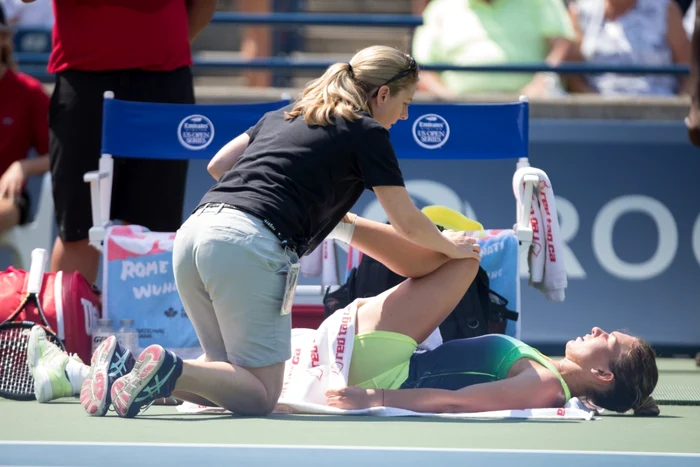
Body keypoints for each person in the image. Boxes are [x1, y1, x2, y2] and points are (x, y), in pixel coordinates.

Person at [27, 210, 658, 416]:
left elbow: (463, 402)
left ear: (604, 377)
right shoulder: (545, 366)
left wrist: (372, 398)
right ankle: (95, 373)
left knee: (464, 262)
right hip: (374, 351)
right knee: (233, 378)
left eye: (610, 340)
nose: (598, 329)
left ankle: (345, 221)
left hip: (378, 368)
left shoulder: (548, 382)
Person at [18, 0, 217, 285]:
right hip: (83, 80)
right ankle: (66, 326)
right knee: (78, 229)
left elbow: (204, 4)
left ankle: (146, 328)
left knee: (152, 231)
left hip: (162, 81)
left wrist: (161, 46)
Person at [565, 0, 690, 96]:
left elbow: (690, 73)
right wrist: (600, 109)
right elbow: (573, 77)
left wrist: (677, 113)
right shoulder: (579, 11)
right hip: (597, 117)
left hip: (661, 114)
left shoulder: (666, 9)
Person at [0, 3, 50, 235]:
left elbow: (58, 155)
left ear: (4, 37)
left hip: (8, 197)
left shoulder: (29, 92)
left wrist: (22, 166)